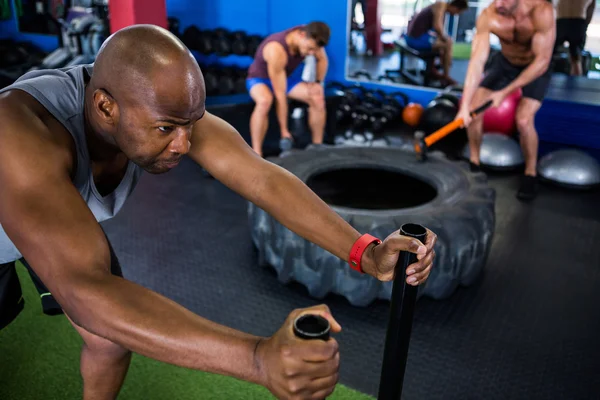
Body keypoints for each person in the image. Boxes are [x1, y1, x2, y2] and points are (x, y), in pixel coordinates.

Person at [0, 25, 437, 400]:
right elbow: (86, 289)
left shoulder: (157, 105)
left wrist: (366, 251)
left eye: (189, 125)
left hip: (56, 216)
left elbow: (261, 178)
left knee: (109, 339)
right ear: (104, 108)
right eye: (167, 129)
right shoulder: (21, 132)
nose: (185, 145)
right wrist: (257, 359)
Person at [456, 0, 556, 201]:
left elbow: (542, 61)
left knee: (524, 120)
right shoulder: (489, 15)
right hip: (505, 62)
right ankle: (474, 164)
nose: (498, 3)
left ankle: (530, 173)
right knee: (474, 108)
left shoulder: (541, 11)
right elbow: (477, 61)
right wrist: (465, 105)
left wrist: (505, 92)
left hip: (535, 66)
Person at [246, 22, 330, 157]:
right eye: (309, 49)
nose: (312, 53)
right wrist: (284, 131)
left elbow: (322, 60)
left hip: (284, 78)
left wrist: (317, 82)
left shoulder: (312, 36)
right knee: (264, 101)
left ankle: (317, 146)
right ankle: (256, 153)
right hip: (259, 79)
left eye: (314, 49)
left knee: (317, 96)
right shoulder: (276, 49)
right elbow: (280, 94)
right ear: (302, 35)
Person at [404, 0, 470, 86]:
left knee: (444, 43)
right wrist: (446, 40)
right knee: (447, 44)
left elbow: (437, 30)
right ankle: (445, 77)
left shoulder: (441, 9)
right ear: (455, 7)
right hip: (414, 39)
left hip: (414, 37)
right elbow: (437, 26)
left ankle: (433, 70)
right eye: (459, 11)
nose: (457, 14)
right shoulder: (441, 5)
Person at [554, 0, 595, 76]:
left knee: (549, 55)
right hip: (578, 21)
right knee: (576, 59)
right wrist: (585, 24)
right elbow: (591, 7)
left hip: (562, 20)